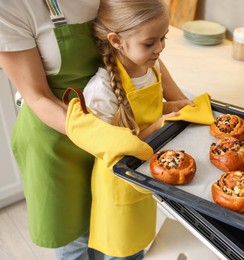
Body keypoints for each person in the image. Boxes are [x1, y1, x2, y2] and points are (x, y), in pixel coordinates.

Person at [0, 0, 153, 259]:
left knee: (124, 234)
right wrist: (104, 138)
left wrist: (183, 101)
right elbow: (39, 97)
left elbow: (144, 41)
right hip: (58, 141)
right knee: (77, 245)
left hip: (119, 126)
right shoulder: (10, 6)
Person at [82, 0, 195, 258]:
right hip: (117, 186)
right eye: (150, 43)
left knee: (139, 245)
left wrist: (175, 106)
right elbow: (115, 147)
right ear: (117, 40)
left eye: (163, 38)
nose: (160, 49)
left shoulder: (151, 68)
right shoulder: (101, 92)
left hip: (144, 177)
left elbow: (152, 109)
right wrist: (160, 125)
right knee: (120, 250)